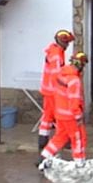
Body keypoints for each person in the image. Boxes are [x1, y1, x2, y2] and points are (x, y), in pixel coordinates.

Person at [41, 51, 89, 165]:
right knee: (78, 139)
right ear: (81, 66)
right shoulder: (74, 80)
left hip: (60, 114)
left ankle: (43, 158)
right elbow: (74, 101)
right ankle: (80, 164)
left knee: (60, 138)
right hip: (71, 116)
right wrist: (78, 117)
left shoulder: (61, 75)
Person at [38, 29, 75, 159]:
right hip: (54, 91)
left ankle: (43, 141)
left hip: (48, 90)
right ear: (62, 42)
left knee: (47, 117)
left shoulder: (53, 51)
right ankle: (62, 140)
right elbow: (58, 74)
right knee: (59, 116)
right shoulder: (57, 54)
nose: (68, 45)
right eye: (67, 43)